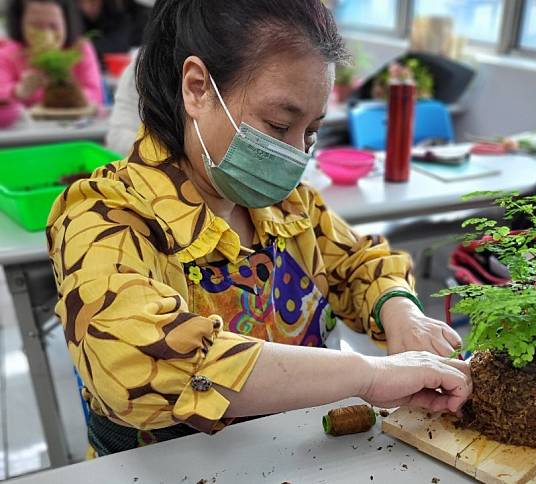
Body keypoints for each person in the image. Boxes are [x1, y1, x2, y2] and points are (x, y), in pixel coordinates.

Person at [47, 0, 471, 457]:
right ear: (197, 88)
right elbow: (134, 357)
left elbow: (358, 261)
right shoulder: (104, 216)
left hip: (296, 457)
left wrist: (399, 309)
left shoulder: (286, 206)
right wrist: (367, 375)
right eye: (279, 124)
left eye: (310, 132)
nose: (295, 154)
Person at [0, 0, 103, 106]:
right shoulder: (7, 54)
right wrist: (18, 91)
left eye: (54, 26)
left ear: (67, 22)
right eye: (36, 26)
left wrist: (68, 91)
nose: (46, 34)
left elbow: (96, 95)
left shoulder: (80, 49)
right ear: (19, 23)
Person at [77, 0, 151, 60]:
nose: (87, 7)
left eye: (92, 2)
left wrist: (86, 46)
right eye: (82, 2)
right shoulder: (77, 18)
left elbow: (119, 44)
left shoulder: (117, 13)